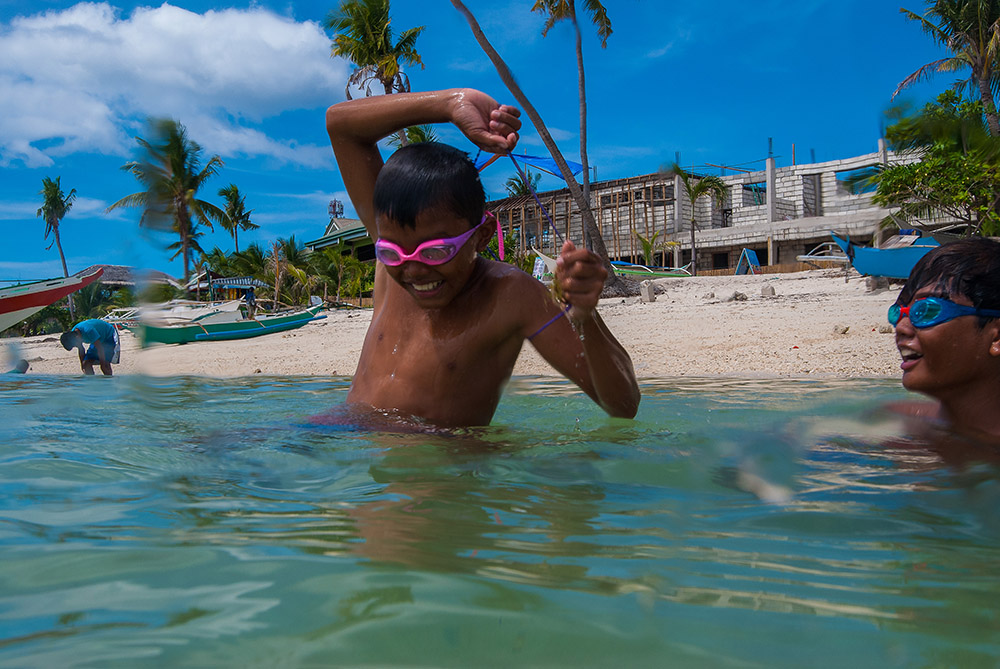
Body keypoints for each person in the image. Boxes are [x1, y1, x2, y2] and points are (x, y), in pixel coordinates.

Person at [324, 88, 640, 427]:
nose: (413, 269)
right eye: (391, 252)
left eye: (435, 251)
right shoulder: (395, 255)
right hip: (349, 433)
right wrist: (449, 103)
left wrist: (585, 319)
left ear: (482, 234)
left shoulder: (511, 295)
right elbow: (340, 124)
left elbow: (624, 405)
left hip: (439, 463)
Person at [887, 236, 1000, 440]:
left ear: (997, 337)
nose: (901, 327)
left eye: (928, 310)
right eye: (898, 312)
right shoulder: (894, 421)